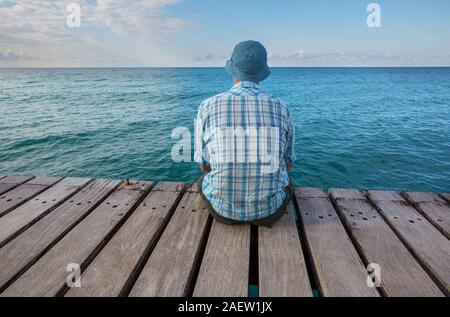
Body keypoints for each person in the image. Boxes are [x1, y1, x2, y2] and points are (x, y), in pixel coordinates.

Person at [194, 40, 296, 227]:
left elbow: (204, 166)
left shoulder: (207, 106)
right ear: (262, 73)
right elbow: (287, 164)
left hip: (222, 211)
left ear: (232, 70)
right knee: (289, 182)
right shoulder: (282, 107)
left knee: (202, 181)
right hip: (270, 212)